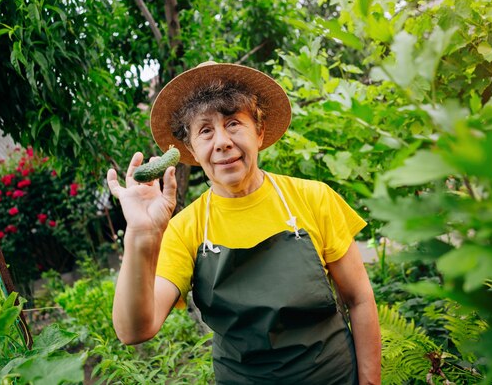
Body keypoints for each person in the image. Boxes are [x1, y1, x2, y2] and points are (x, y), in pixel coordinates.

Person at [107, 61, 381, 384]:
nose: (222, 141)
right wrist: (139, 234)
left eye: (234, 123)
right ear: (191, 149)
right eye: (205, 130)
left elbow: (360, 300)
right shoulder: (186, 229)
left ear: (259, 131)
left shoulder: (313, 199)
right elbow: (134, 330)